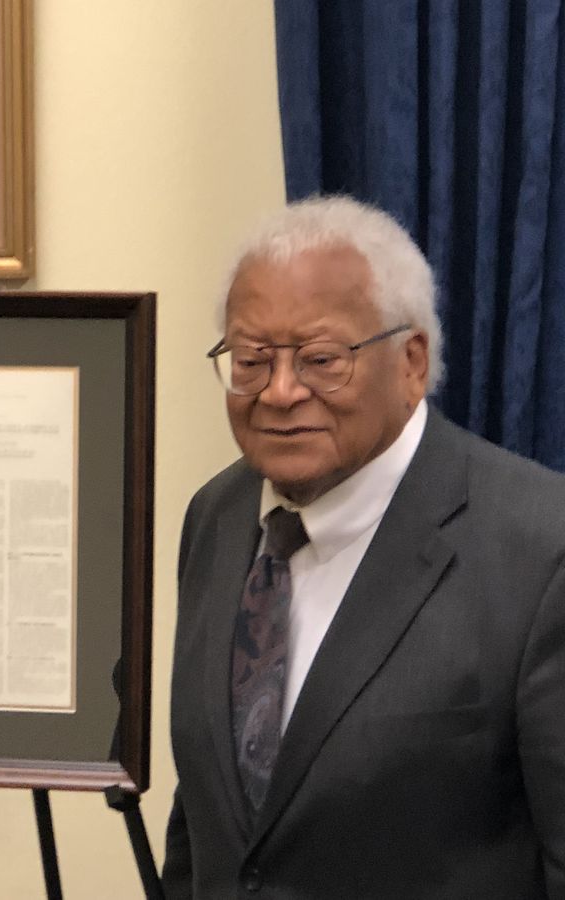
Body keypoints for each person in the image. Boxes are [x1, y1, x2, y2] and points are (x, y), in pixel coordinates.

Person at [164, 195, 565, 897]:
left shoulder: (539, 552)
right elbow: (208, 814)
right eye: (252, 360)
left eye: (321, 359)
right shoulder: (216, 518)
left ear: (412, 362)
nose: (280, 392)